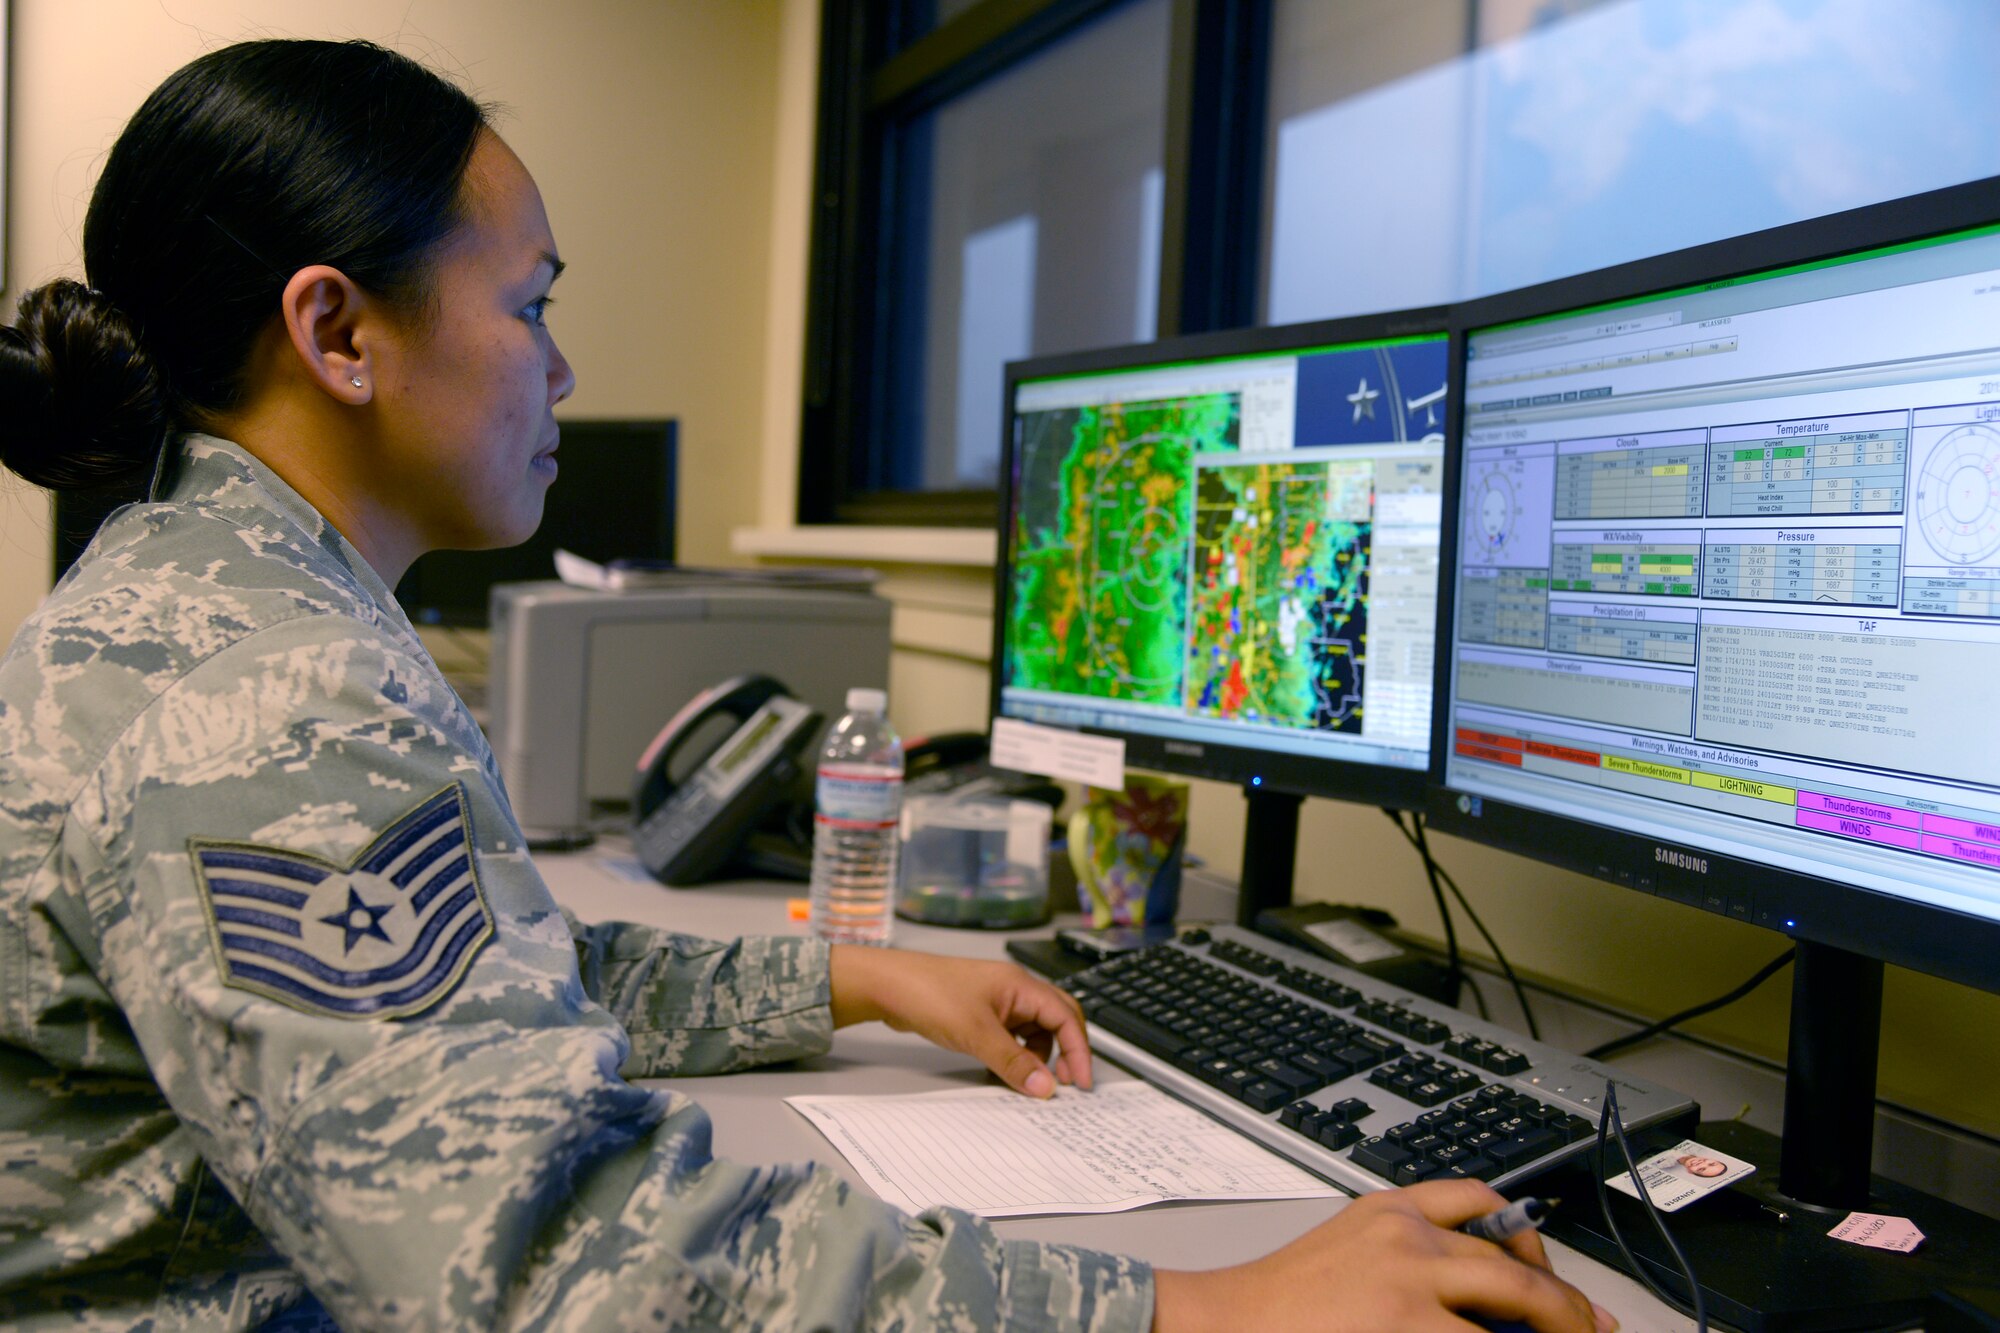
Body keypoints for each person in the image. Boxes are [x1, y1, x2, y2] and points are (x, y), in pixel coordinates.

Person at [0, 38, 1613, 1333]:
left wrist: (858, 979)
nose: (561, 370)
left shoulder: (224, 597)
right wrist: (1205, 1303)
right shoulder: (267, 693)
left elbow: (474, 989)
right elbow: (574, 1270)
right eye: (531, 304)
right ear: (338, 332)